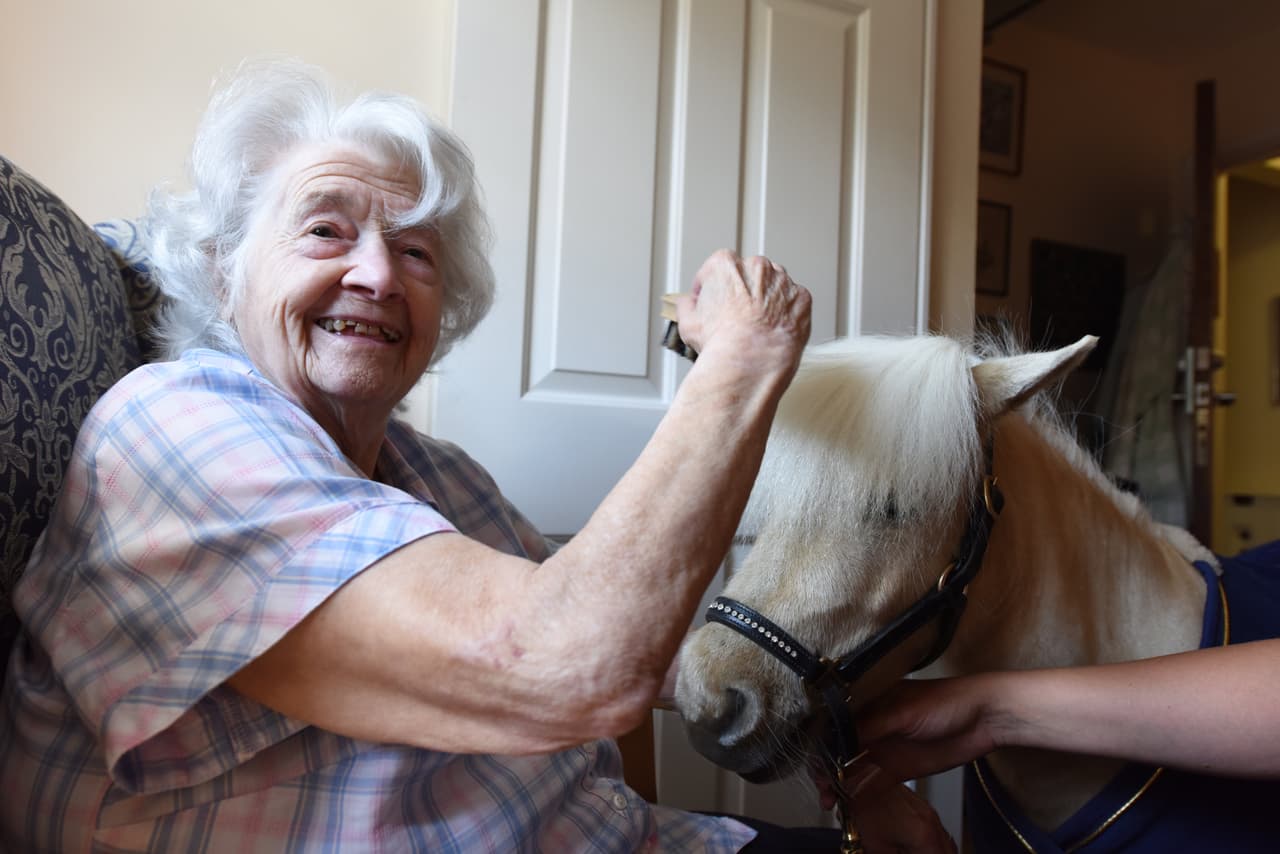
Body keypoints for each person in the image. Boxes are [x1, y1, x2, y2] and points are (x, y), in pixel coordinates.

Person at [0, 58, 951, 853]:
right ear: (224, 268)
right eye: (326, 229)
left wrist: (838, 752)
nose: (377, 273)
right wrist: (742, 360)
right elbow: (574, 664)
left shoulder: (440, 473)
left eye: (416, 253)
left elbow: (633, 663)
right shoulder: (175, 426)